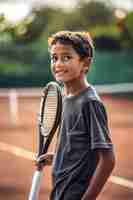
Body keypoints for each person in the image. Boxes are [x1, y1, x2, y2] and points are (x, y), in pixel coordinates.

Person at [41, 31, 115, 200]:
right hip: (60, 189)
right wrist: (55, 157)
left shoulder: (89, 103)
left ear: (85, 63)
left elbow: (108, 159)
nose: (58, 64)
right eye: (54, 58)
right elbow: (78, 146)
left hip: (75, 194)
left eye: (66, 57)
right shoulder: (65, 98)